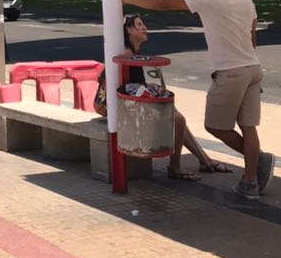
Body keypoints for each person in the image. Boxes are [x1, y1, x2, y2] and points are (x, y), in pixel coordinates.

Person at [123, 0, 275, 201]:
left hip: (230, 71)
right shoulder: (246, 0)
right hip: (252, 67)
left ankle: (258, 161)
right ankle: (249, 181)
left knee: (215, 126)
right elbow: (252, 38)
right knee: (249, 127)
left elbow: (163, 3)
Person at [95, 14, 231, 181]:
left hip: (128, 100)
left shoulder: (133, 51)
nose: (145, 28)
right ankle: (176, 166)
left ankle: (204, 160)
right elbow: (117, 84)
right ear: (129, 30)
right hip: (118, 105)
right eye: (139, 25)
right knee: (177, 120)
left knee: (175, 115)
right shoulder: (127, 52)